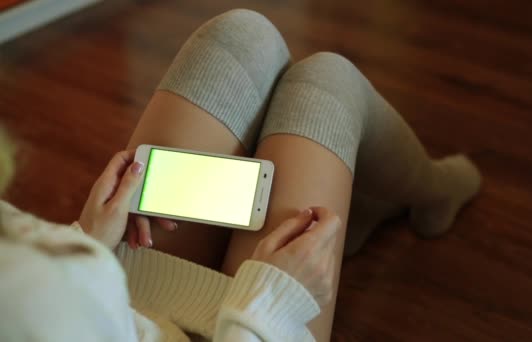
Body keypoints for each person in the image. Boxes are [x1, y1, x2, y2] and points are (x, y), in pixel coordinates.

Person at [0, 9, 481, 342]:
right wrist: (270, 304)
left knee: (241, 35)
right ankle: (433, 189)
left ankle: (377, 198)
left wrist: (85, 239)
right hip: (241, 328)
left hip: (121, 289)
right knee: (327, 84)